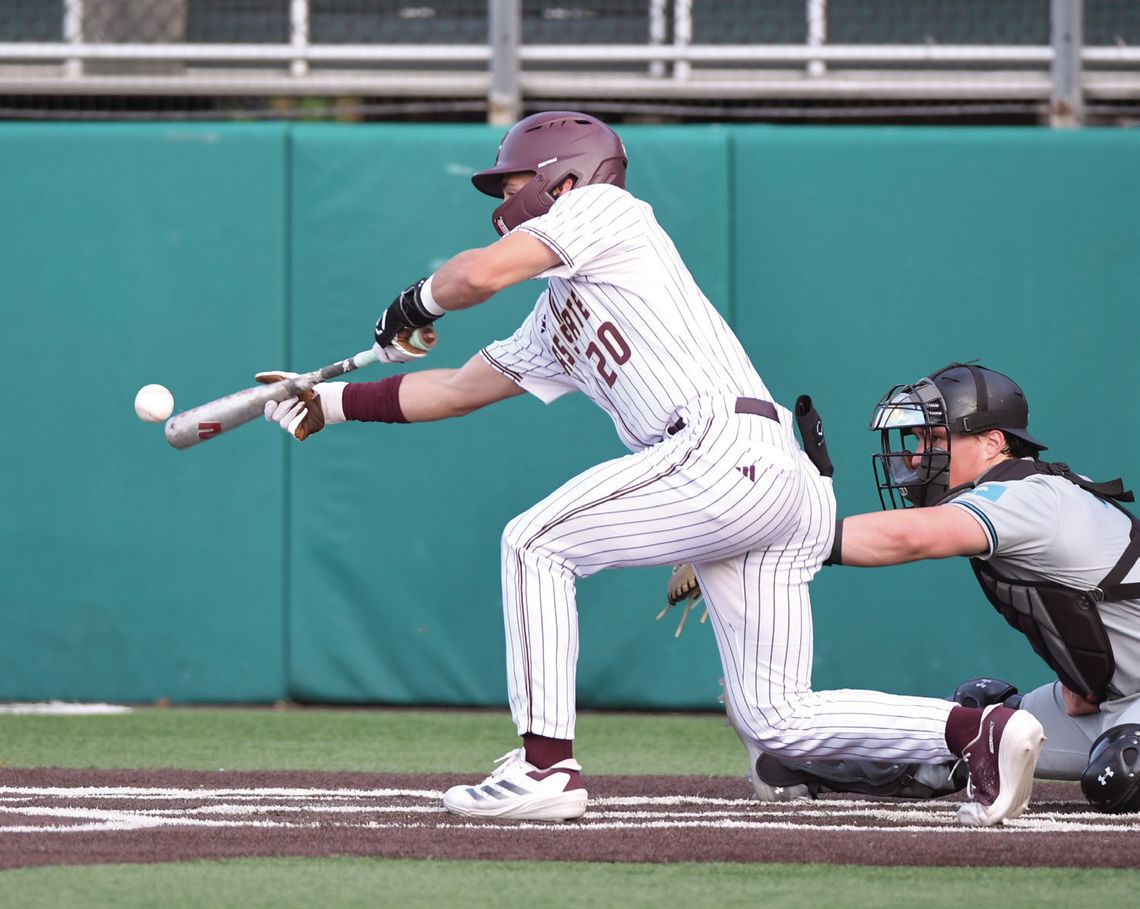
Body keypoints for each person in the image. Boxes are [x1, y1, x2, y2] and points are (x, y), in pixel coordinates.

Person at [260, 112, 1043, 826]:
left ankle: (544, 767)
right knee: (774, 716)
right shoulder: (557, 310)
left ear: (563, 177)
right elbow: (457, 389)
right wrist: (326, 402)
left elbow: (474, 277)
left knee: (535, 542)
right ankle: (978, 730)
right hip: (770, 472)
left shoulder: (606, 210)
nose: (502, 199)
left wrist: (414, 304)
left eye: (513, 181)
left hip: (719, 447)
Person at [730, 362, 1140, 814]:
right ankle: (791, 766)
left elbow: (914, 536)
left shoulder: (1030, 496)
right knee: (980, 724)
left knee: (1122, 774)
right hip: (1118, 698)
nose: (916, 456)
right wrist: (1083, 681)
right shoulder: (1027, 490)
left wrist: (777, 539)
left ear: (993, 442)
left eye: (936, 439)